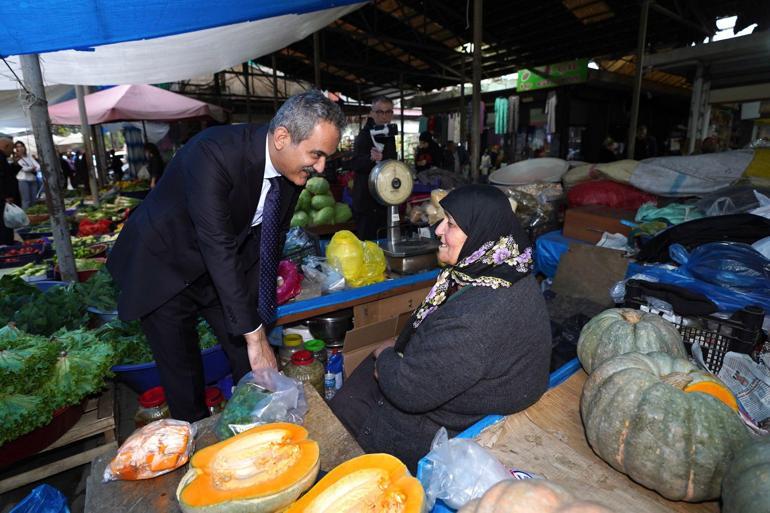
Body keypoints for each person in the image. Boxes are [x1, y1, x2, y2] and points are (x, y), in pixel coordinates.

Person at [107, 91, 345, 422]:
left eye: (325, 158)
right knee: (184, 372)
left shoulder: (293, 170)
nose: (320, 167)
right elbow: (217, 243)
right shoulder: (213, 153)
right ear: (281, 137)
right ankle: (196, 447)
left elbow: (268, 243)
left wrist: (259, 319)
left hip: (217, 266)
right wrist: (256, 335)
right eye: (316, 154)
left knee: (250, 356)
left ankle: (258, 427)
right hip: (163, 263)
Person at [330, 184, 552, 471]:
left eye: (452, 224)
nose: (438, 230)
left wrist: (383, 356)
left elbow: (407, 391)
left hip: (434, 426)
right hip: (467, 393)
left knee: (342, 423)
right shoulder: (511, 271)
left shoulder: (475, 319)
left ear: (482, 234)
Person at [349, 96, 398, 240]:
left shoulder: (389, 134)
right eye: (379, 112)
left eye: (387, 112)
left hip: (384, 198)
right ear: (372, 113)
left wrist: (383, 159)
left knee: (384, 243)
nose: (384, 116)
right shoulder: (364, 136)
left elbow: (392, 159)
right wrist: (370, 158)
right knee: (367, 243)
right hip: (366, 201)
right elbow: (355, 163)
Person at [0, 134, 21, 245]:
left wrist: (16, 164)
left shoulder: (3, 158)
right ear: (6, 146)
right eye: (12, 149)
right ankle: (5, 243)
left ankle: (7, 241)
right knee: (4, 223)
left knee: (7, 221)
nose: (12, 152)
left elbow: (8, 175)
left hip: (5, 197)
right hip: (3, 198)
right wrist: (5, 196)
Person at [13, 141, 40, 209]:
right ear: (16, 149)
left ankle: (34, 215)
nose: (20, 148)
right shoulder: (17, 158)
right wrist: (32, 168)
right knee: (26, 200)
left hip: (33, 179)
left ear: (24, 147)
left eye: (21, 146)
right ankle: (27, 217)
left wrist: (32, 168)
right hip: (23, 180)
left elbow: (38, 166)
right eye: (18, 147)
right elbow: (24, 169)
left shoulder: (29, 156)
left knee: (34, 200)